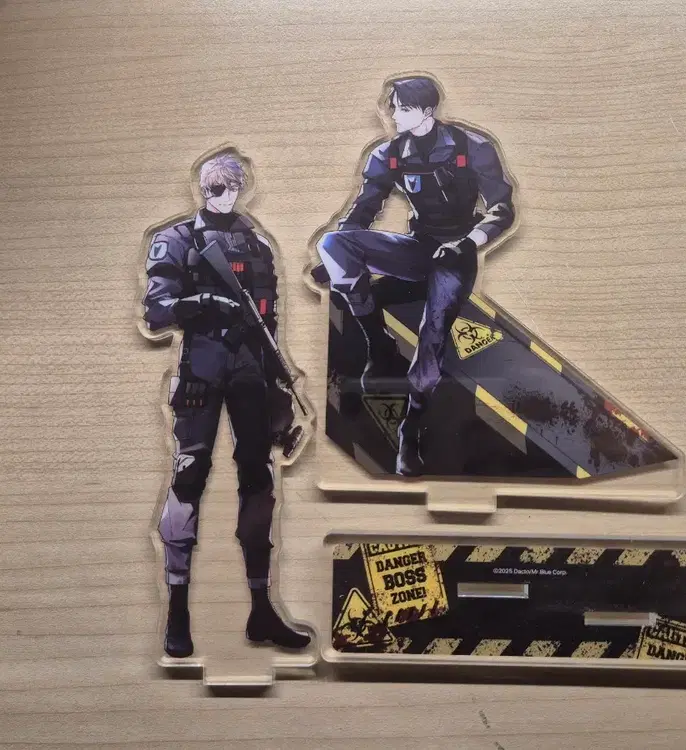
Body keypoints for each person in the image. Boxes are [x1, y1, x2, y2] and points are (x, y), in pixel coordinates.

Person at [143, 152, 310, 657]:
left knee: (258, 480)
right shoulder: (175, 239)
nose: (226, 195)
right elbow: (156, 312)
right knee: (188, 474)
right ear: (202, 188)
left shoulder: (256, 243)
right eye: (217, 188)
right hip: (201, 366)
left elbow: (270, 321)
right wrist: (202, 305)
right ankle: (176, 612)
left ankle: (261, 609)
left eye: (233, 187)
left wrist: (281, 387)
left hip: (250, 370)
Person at [316, 77, 515, 476]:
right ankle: (380, 346)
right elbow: (364, 208)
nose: (392, 115)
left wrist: (469, 243)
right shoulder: (389, 154)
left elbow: (502, 209)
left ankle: (411, 429)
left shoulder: (472, 147)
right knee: (332, 243)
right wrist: (341, 256)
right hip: (419, 249)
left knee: (432, 334)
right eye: (392, 107)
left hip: (456, 256)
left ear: (426, 111)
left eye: (402, 108)